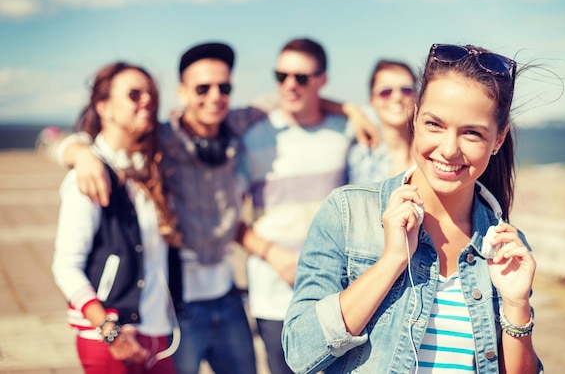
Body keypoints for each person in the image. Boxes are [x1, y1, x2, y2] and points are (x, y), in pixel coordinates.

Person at [51, 41, 377, 374]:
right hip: (179, 306)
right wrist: (78, 152)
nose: (214, 96)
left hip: (228, 298)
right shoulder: (161, 140)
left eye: (224, 87)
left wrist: (351, 109)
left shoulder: (238, 124)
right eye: (202, 88)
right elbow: (89, 144)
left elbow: (298, 97)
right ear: (182, 92)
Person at [282, 43, 543, 373]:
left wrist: (517, 306)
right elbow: (299, 351)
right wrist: (391, 261)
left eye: (472, 133)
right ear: (416, 116)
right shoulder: (347, 212)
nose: (448, 149)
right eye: (435, 124)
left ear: (499, 139)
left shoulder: (506, 247)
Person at [238, 37, 361, 374]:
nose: (290, 85)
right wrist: (274, 255)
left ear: (322, 80)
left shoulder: (347, 132)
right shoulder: (252, 137)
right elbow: (227, 220)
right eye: (282, 76)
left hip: (339, 296)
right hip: (273, 296)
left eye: (301, 78)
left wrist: (351, 109)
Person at [51, 62, 178, 373]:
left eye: (151, 95)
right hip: (111, 337)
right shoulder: (89, 176)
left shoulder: (151, 167)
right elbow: (65, 266)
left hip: (158, 335)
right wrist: (110, 332)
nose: (146, 101)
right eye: (134, 94)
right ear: (104, 107)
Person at [347, 59, 417, 184]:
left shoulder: (430, 151)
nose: (397, 97)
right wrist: (351, 109)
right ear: (372, 100)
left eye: (406, 90)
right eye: (385, 92)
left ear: (416, 95)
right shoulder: (359, 152)